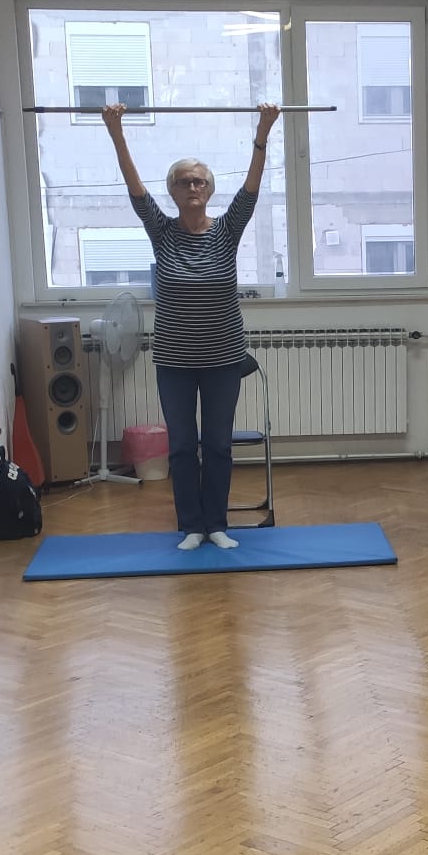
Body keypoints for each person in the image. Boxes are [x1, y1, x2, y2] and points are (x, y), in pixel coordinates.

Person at [102, 101, 280, 551]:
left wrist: (263, 131)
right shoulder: (163, 233)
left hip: (223, 359)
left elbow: (252, 188)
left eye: (199, 181)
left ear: (209, 189)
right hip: (174, 362)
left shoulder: (227, 231)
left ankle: (216, 523)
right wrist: (116, 132)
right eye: (184, 182)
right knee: (182, 446)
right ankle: (191, 527)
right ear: (174, 192)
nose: (193, 187)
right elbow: (135, 189)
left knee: (217, 445)